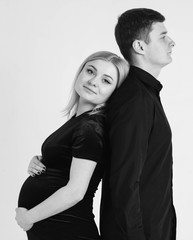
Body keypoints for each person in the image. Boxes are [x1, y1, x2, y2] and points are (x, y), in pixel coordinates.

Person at [15, 51, 129, 240]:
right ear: (80, 72)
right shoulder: (80, 122)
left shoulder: (90, 126)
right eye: (90, 71)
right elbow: (67, 162)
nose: (93, 81)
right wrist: (42, 162)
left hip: (68, 230)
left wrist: (29, 217)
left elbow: (75, 191)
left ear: (115, 92)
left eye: (106, 81)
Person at [100, 8, 177, 240]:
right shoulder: (135, 98)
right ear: (140, 47)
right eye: (163, 36)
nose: (172, 42)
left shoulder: (144, 94)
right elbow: (125, 182)